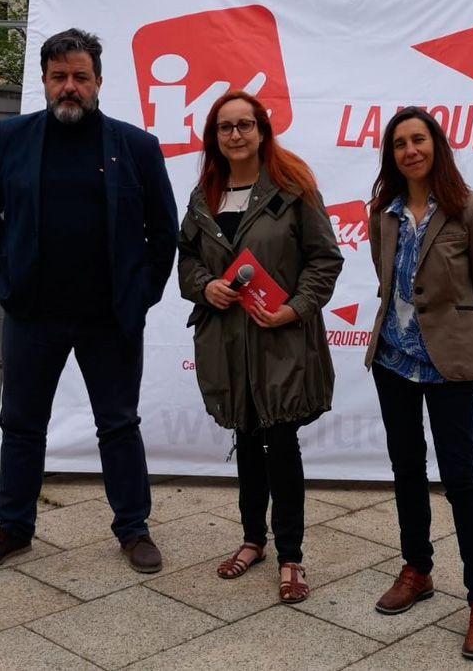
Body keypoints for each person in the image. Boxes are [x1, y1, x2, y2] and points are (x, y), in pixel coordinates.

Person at [0, 28, 178, 574]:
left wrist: (142, 296)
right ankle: (14, 526)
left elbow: (164, 230)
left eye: (80, 77)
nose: (69, 87)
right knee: (21, 423)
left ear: (98, 82)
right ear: (43, 81)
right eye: (59, 77)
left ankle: (133, 529)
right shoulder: (11, 137)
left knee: (118, 424)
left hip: (109, 317)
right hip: (33, 312)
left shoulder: (136, 146)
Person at [177, 90, 343, 604]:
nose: (235, 135)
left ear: (262, 130)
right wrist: (205, 285)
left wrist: (294, 308)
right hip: (227, 343)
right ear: (215, 137)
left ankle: (291, 554)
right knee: (246, 442)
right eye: (225, 128)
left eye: (245, 125)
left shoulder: (293, 188)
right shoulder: (204, 195)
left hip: (281, 340)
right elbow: (186, 259)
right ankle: (253, 540)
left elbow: (325, 260)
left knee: (281, 445)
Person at [364, 107, 473, 660]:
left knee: (461, 478)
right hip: (393, 362)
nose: (409, 150)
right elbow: (387, 285)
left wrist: (461, 340)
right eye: (399, 143)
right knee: (405, 470)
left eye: (418, 139)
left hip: (448, 367)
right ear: (391, 154)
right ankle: (417, 569)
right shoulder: (385, 212)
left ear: (436, 145)